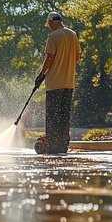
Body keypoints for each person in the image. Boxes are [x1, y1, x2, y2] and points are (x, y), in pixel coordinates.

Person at [34, 11, 81, 153]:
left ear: (51, 21)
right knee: (64, 116)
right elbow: (77, 57)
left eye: (48, 24)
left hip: (54, 84)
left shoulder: (53, 36)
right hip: (69, 83)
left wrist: (41, 75)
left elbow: (49, 59)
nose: (48, 26)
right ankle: (62, 146)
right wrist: (66, 64)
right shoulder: (73, 35)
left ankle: (52, 147)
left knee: (53, 116)